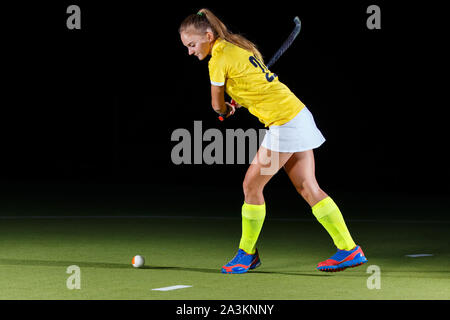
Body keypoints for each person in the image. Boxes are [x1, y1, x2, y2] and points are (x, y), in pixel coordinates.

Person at [179, 8, 368, 273]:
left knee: (251, 185)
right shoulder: (237, 48)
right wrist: (237, 103)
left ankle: (247, 254)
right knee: (307, 187)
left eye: (192, 44)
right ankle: (349, 249)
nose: (190, 51)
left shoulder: (219, 58)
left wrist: (225, 110)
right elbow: (254, 88)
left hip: (285, 123)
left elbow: (216, 104)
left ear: (208, 36)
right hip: (297, 114)